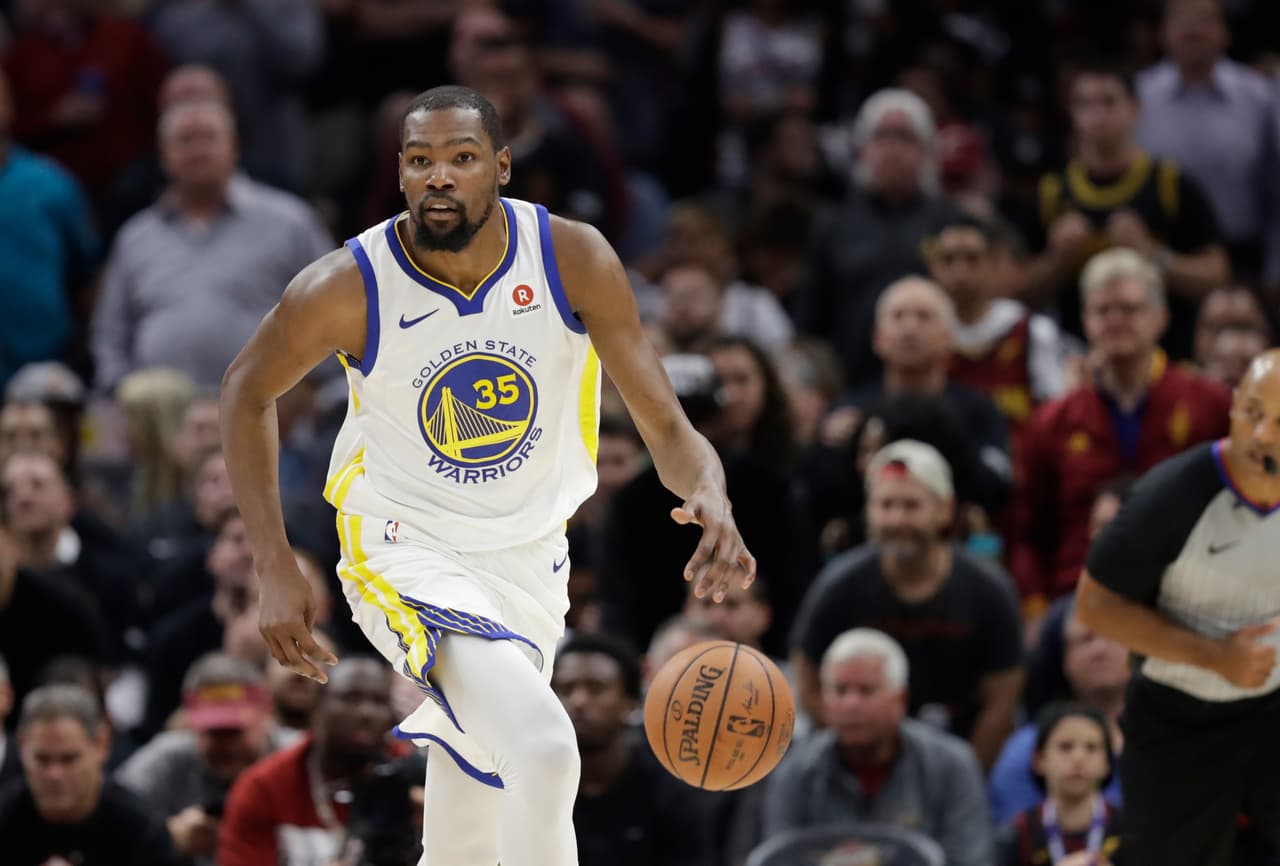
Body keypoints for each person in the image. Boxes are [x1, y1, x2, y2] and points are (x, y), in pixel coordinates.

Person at [220, 85, 755, 866]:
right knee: (544, 748)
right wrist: (273, 562)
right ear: (400, 174)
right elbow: (245, 391)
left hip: (531, 557)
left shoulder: (572, 259)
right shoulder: (350, 284)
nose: (438, 176)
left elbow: (668, 427)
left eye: (461, 158)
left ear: (501, 167)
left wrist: (709, 490)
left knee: (468, 832)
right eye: (419, 160)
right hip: (405, 544)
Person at [1075, 348, 1280, 865]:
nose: (1261, 435)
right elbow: (1096, 606)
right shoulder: (1171, 496)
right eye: (1252, 412)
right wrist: (1215, 655)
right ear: (1232, 406)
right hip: (1178, 720)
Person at [763, 629, 993, 866]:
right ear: (824, 700)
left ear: (900, 699)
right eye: (840, 690)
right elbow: (780, 857)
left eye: (867, 690)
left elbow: (969, 858)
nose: (851, 704)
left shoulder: (952, 766)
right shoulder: (795, 771)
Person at [0, 684, 184, 866]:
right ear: (21, 746)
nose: (55, 774)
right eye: (42, 759)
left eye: (69, 759)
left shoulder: (142, 830)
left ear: (101, 744)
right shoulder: (4, 815)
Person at [997, 703, 1124, 866]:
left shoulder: (1129, 829)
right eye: (1065, 747)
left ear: (1107, 762)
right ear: (1039, 759)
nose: (1078, 758)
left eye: (1091, 748)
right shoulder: (1018, 833)